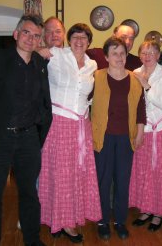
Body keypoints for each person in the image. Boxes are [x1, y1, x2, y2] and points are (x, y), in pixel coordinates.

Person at [0, 14, 52, 246]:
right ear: (16, 34)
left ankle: (32, 240)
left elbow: (43, 102)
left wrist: (38, 136)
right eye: (26, 33)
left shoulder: (39, 64)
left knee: (29, 193)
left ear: (39, 41)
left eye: (36, 36)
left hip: (28, 139)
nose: (30, 39)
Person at [38, 23, 102, 243]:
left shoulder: (92, 64)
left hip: (81, 125)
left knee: (76, 175)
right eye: (75, 37)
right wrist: (40, 48)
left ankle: (67, 220)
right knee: (59, 174)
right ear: (69, 39)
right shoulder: (57, 54)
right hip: (59, 122)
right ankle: (61, 222)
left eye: (84, 37)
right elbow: (32, 54)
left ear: (89, 42)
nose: (79, 41)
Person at [91, 36, 146, 240]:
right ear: (106, 56)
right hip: (103, 138)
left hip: (126, 138)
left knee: (123, 181)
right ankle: (103, 221)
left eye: (122, 53)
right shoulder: (95, 76)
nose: (119, 57)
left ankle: (120, 221)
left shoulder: (135, 79)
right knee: (103, 181)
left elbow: (141, 108)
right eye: (114, 53)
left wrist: (140, 131)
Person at [129, 40, 162, 232]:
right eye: (144, 52)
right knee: (144, 173)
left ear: (158, 55)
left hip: (161, 130)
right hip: (142, 130)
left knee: (160, 173)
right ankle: (146, 209)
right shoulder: (134, 74)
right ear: (140, 55)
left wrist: (146, 85)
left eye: (151, 52)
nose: (147, 56)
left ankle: (159, 213)